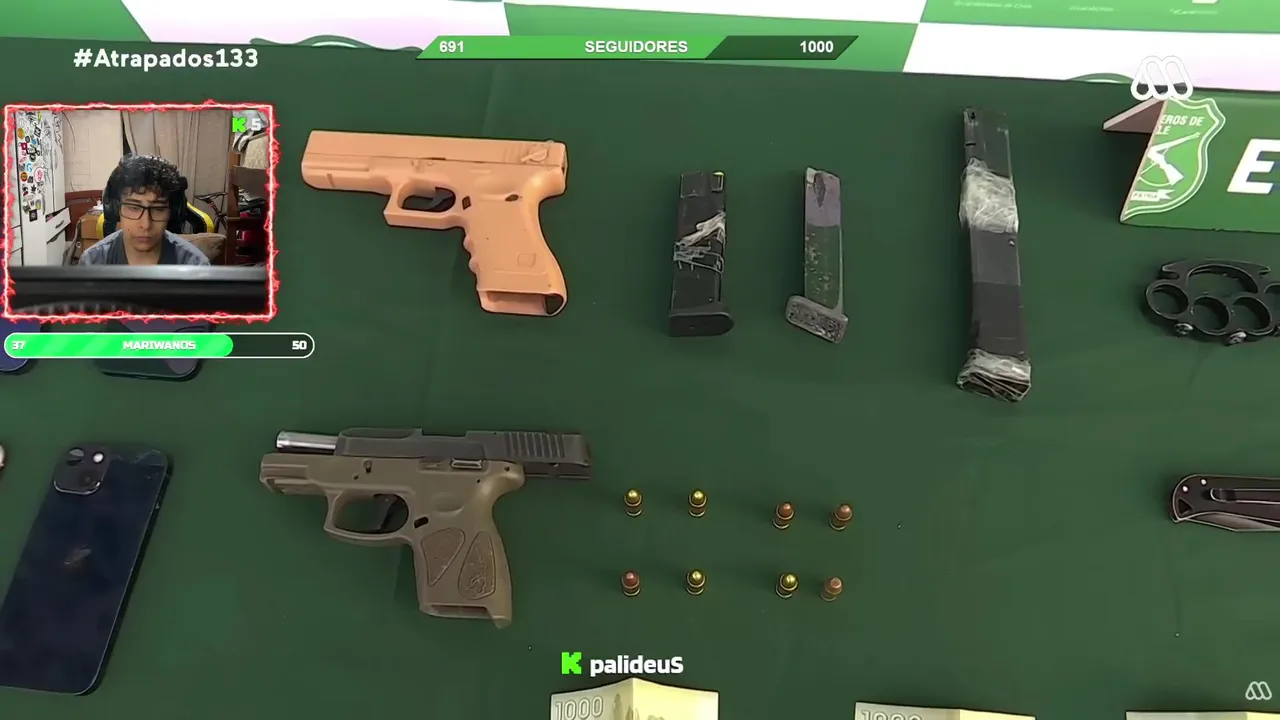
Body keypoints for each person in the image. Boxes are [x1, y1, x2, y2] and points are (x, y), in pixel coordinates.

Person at [79, 155, 210, 266]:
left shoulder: (195, 265)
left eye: (158, 209)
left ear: (173, 212)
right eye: (134, 207)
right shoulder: (93, 262)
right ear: (115, 208)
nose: (146, 225)